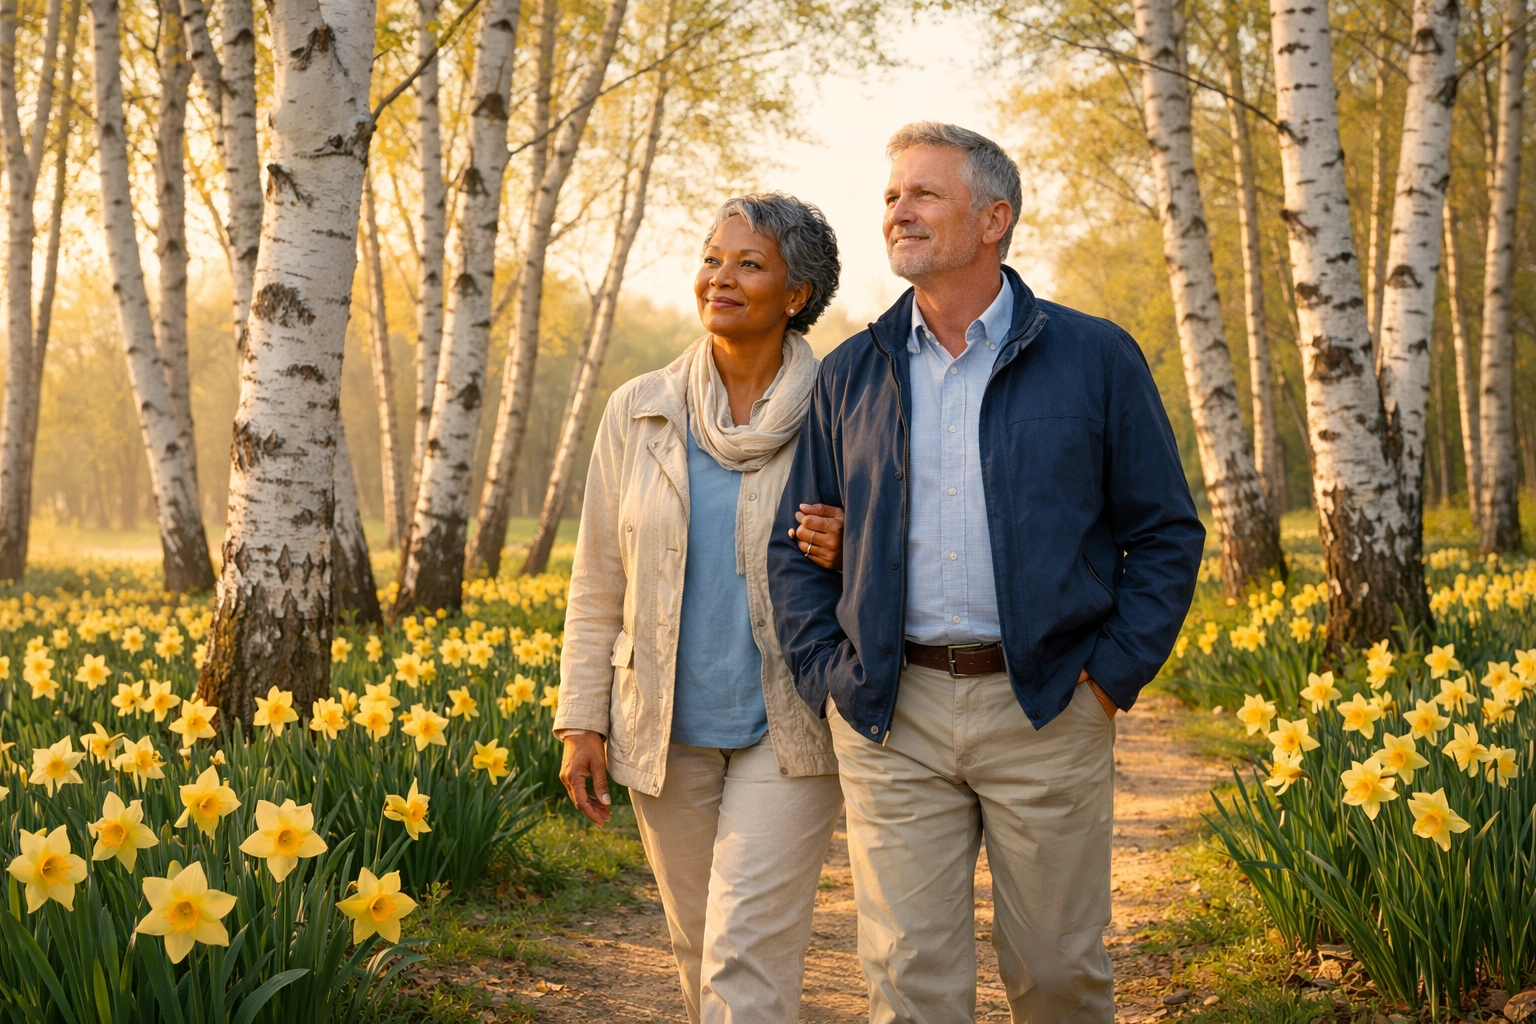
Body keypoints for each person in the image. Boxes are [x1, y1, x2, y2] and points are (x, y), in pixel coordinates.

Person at [770, 122, 1205, 1023]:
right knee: (908, 984)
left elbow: (1165, 533)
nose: (899, 211)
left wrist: (1108, 679)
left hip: (1048, 705)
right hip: (895, 715)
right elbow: (797, 545)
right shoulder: (852, 372)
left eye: (924, 194)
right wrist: (834, 678)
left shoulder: (1096, 358)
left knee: (1057, 978)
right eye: (892, 196)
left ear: (994, 218)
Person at [555, 193, 846, 1024]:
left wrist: (850, 545)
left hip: (792, 727)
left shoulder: (844, 407)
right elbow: (598, 577)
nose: (720, 277)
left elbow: (895, 548)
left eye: (749, 263)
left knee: (743, 947)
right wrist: (583, 718)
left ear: (797, 293)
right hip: (665, 723)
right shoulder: (639, 408)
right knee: (696, 944)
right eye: (714, 258)